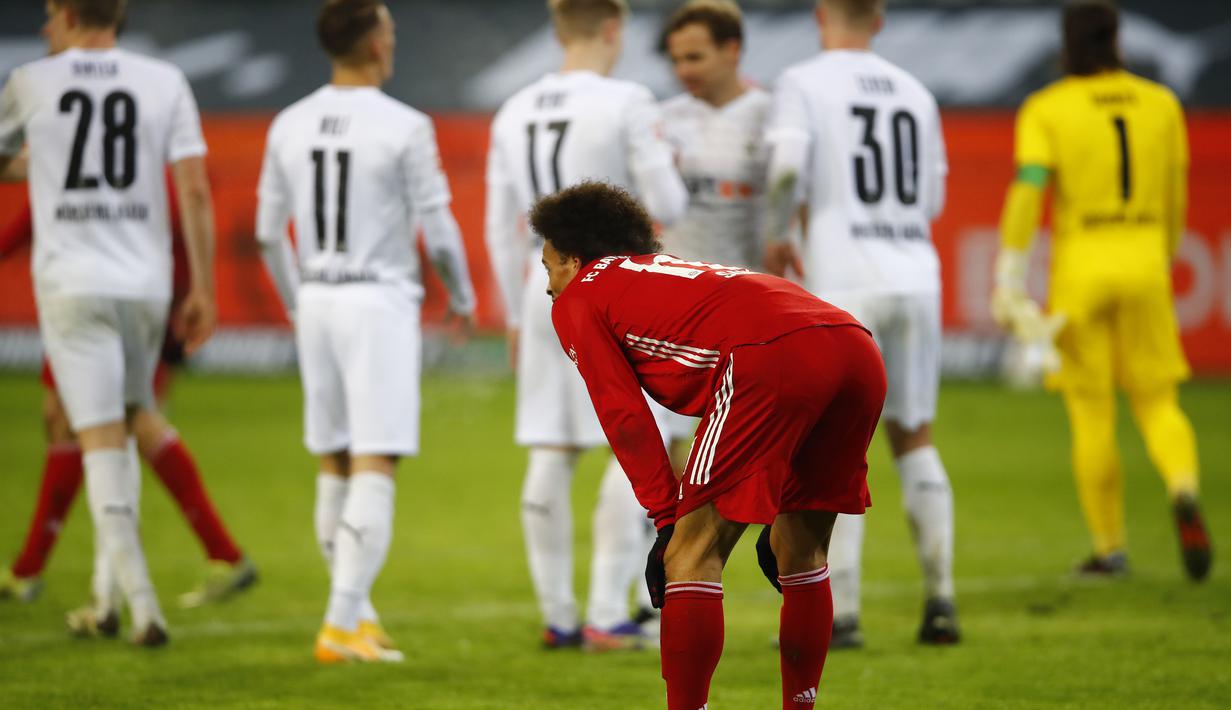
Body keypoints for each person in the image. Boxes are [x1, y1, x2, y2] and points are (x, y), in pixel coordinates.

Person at [533, 181, 885, 709]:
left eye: (548, 268)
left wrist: (665, 519)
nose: (547, 287)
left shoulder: (581, 296)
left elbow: (624, 416)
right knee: (802, 550)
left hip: (769, 355)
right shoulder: (663, 268)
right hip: (855, 346)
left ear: (574, 258)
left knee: (690, 555)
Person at [256, 0, 477, 663]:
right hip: (375, 303)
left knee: (335, 460)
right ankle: (338, 623)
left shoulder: (288, 123)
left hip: (319, 300)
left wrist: (299, 302)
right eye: (390, 28)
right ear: (376, 42)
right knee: (376, 460)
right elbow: (436, 229)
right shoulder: (405, 125)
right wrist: (462, 296)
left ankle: (359, 618)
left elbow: (269, 233)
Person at [0, 0, 218, 646]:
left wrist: (42, 166)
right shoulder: (163, 80)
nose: (44, 27)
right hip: (145, 286)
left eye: (48, 14)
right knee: (123, 429)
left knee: (95, 438)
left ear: (67, 14)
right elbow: (196, 188)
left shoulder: (31, 82)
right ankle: (105, 599)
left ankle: (144, 607)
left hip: (73, 286)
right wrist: (202, 285)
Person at [485, 0, 687, 650]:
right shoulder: (627, 99)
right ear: (612, 28)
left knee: (550, 445)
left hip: (537, 284)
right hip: (610, 287)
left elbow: (498, 223)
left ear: (556, 30)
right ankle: (608, 610)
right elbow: (668, 202)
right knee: (640, 437)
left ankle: (559, 617)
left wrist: (512, 308)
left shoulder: (513, 109)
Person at [991, 0, 1211, 580]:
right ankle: (1183, 487)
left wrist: (1010, 273)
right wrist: (1159, 256)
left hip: (1083, 264)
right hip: (1145, 255)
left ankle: (1110, 548)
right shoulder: (1161, 103)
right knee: (1159, 401)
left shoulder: (1048, 108)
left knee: (1092, 413)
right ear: (1118, 39)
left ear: (1066, 44)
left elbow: (1028, 189)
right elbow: (1176, 192)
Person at [761, 0, 957, 648]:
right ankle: (940, 603)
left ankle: (841, 613)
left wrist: (776, 233)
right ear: (879, 18)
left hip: (846, 279)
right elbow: (931, 198)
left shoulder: (802, 82)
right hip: (914, 276)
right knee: (914, 437)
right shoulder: (914, 90)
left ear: (820, 14)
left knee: (833, 448)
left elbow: (787, 166)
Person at [0, 199, 256, 613]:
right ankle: (58, 578)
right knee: (82, 419)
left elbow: (42, 199)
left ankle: (117, 599)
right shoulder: (143, 156)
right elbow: (183, 210)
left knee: (119, 423)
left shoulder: (85, 148)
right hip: (124, 291)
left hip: (93, 293)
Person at [658, 0, 770, 471]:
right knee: (660, 438)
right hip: (675, 299)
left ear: (732, 50)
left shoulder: (771, 116)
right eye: (677, 59)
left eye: (695, 57)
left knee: (745, 447)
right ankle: (658, 538)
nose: (684, 70)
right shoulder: (662, 118)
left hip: (750, 303)